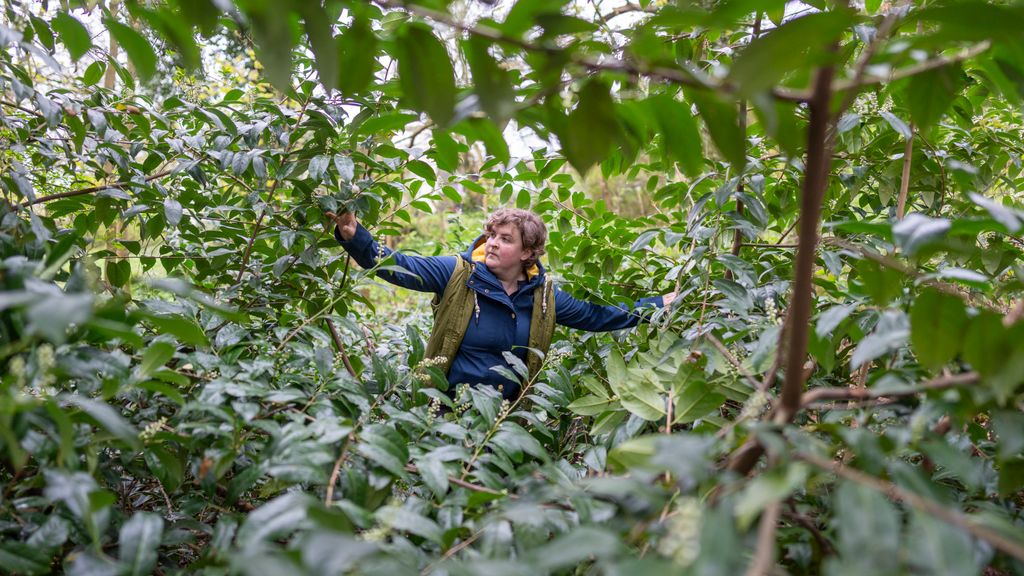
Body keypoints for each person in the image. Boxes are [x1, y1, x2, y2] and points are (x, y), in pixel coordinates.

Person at [327, 208, 676, 400]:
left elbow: (598, 316)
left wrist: (659, 303)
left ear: (527, 252)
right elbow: (399, 266)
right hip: (446, 409)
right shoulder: (458, 274)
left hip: (505, 419)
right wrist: (355, 236)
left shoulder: (544, 297)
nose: (492, 243)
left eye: (505, 239)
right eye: (492, 235)